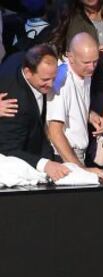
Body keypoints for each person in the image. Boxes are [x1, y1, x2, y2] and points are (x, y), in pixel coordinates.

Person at [0, 44, 69, 182]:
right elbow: (8, 150)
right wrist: (45, 164)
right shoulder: (15, 104)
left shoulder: (20, 57)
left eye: (53, 78)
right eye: (45, 80)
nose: (51, 85)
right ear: (28, 72)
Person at [47, 32, 103, 179]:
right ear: (71, 57)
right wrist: (80, 169)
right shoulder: (62, 82)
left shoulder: (84, 73)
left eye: (95, 61)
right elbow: (54, 132)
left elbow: (72, 104)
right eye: (86, 62)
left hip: (77, 154)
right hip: (64, 157)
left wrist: (89, 115)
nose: (92, 67)